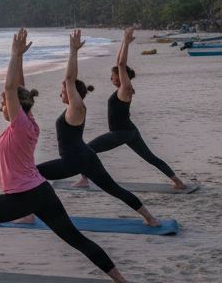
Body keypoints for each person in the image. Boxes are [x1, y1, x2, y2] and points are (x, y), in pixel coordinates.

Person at [0, 31, 135, 283]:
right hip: (42, 192)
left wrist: (14, 54)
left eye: (2, 104)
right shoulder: (27, 121)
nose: (1, 107)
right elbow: (18, 88)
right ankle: (121, 282)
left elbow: (11, 89)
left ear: (14, 107)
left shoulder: (20, 125)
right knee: (75, 238)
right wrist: (20, 59)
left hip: (24, 197)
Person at [11, 30, 161, 227]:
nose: (61, 94)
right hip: (87, 157)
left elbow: (70, 78)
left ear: (73, 93)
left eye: (63, 91)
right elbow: (21, 91)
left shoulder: (77, 108)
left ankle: (28, 214)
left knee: (29, 174)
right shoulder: (75, 110)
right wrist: (19, 57)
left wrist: (73, 51)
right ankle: (150, 218)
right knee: (114, 188)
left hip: (72, 161)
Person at [71, 26, 188, 190]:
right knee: (150, 157)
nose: (111, 79)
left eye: (113, 76)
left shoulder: (125, 89)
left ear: (120, 76)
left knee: (87, 149)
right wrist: (123, 41)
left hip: (121, 133)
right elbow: (119, 63)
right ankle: (179, 182)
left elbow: (121, 64)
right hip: (130, 132)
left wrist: (125, 42)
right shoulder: (122, 89)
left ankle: (84, 178)